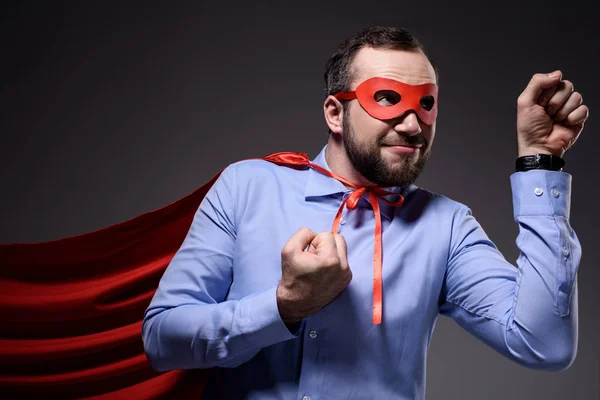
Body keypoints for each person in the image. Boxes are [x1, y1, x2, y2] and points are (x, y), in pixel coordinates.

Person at [141, 26, 588, 399]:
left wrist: (540, 162)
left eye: (426, 103)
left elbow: (544, 343)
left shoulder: (446, 227)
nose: (413, 125)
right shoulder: (246, 187)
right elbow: (162, 339)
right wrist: (284, 307)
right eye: (389, 99)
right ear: (336, 113)